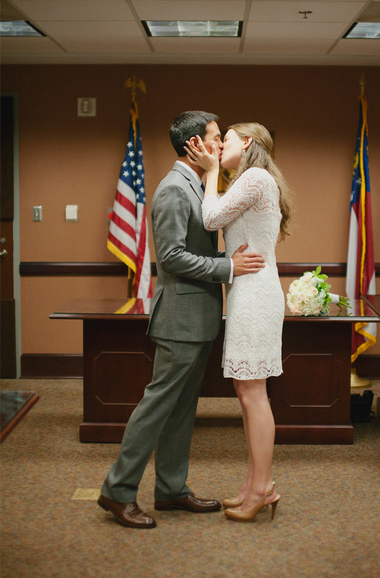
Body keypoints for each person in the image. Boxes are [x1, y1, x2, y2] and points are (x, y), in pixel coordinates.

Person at [98, 111, 265, 529]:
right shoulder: (174, 189)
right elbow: (170, 257)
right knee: (155, 407)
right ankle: (117, 492)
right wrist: (228, 267)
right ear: (195, 145)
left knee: (180, 410)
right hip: (179, 318)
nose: (220, 144)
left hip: (199, 316)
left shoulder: (198, 183)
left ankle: (171, 490)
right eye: (214, 137)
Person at [184, 122, 292, 523]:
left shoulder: (256, 177)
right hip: (248, 292)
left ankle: (262, 488)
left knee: (253, 395)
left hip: (256, 295)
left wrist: (211, 172)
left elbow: (210, 218)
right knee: (248, 394)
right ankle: (254, 485)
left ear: (246, 143)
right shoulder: (250, 181)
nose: (217, 145)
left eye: (224, 139)